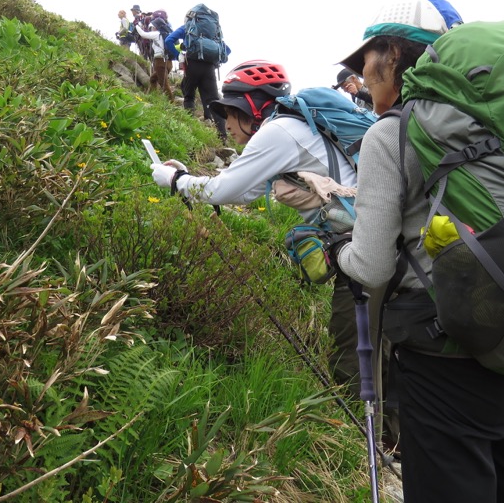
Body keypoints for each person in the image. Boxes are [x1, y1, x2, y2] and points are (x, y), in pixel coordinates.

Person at [333, 0, 504, 502]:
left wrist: (339, 254)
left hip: (443, 357)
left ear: (392, 54)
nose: (363, 72)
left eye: (366, 58)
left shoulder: (391, 134)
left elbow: (370, 266)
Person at [150, 60, 371, 406]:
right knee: (370, 347)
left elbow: (223, 191)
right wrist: (188, 178)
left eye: (228, 110)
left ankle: (383, 446)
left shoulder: (277, 132)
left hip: (366, 245)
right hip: (367, 237)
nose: (225, 121)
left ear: (249, 107)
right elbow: (245, 190)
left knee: (353, 358)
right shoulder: (291, 129)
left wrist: (176, 181)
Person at [164, 10, 230, 142]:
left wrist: (178, 55)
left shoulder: (188, 27)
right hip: (209, 67)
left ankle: (190, 127)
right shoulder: (213, 32)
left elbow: (168, 40)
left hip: (192, 64)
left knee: (188, 95)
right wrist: (215, 61)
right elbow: (227, 50)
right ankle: (222, 135)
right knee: (213, 100)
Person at [134, 9, 174, 98]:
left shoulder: (157, 34)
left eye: (153, 26)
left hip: (160, 61)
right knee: (153, 79)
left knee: (163, 84)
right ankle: (153, 96)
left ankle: (171, 102)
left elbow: (143, 34)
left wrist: (136, 25)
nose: (152, 28)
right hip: (169, 62)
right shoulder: (167, 33)